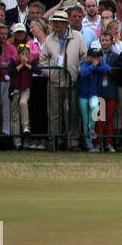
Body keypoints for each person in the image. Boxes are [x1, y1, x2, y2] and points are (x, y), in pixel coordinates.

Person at [38, 10, 84, 150]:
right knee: (54, 113)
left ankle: (73, 142)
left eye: (58, 22)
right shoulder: (49, 39)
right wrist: (51, 73)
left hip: (72, 82)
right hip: (54, 82)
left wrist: (77, 72)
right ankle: (55, 141)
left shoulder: (77, 37)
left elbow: (84, 57)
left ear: (65, 23)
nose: (56, 25)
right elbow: (43, 60)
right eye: (54, 22)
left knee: (73, 113)